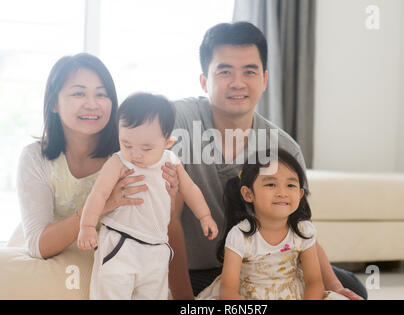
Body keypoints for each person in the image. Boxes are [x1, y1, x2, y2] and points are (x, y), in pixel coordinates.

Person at [167, 21, 367, 300]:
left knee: (352, 287)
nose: (238, 83)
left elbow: (300, 226)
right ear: (204, 81)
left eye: (249, 71)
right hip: (194, 270)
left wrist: (333, 286)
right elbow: (168, 220)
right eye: (224, 71)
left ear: (264, 79)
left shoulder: (284, 147)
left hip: (262, 268)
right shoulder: (178, 124)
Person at [15, 54, 177, 271]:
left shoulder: (132, 154)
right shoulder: (36, 157)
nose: (92, 104)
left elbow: (162, 229)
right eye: (79, 93)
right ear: (54, 103)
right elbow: (38, 246)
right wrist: (101, 205)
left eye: (102, 94)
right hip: (54, 269)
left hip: (115, 271)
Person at [77, 92, 218, 299]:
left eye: (146, 148)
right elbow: (98, 194)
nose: (136, 154)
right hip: (121, 243)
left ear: (168, 142)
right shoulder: (118, 162)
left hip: (156, 247)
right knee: (111, 293)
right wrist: (87, 226)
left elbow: (190, 189)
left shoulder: (171, 161)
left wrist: (205, 216)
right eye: (127, 145)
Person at [197, 149, 347, 300]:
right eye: (271, 184)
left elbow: (314, 282)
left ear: (300, 195)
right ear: (248, 194)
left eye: (290, 185)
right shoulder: (240, 235)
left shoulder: (303, 231)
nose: (282, 193)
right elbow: (228, 291)